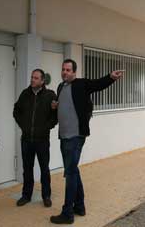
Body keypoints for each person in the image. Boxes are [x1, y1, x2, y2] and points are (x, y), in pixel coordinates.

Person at [50, 59, 123, 224]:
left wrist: (110, 77)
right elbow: (64, 107)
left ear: (74, 72)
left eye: (68, 70)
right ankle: (80, 206)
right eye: (63, 69)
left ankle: (67, 213)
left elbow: (97, 84)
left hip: (76, 136)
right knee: (73, 170)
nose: (65, 72)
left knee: (70, 173)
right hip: (63, 136)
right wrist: (55, 106)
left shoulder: (81, 84)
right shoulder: (60, 87)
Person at [13, 69, 58, 207]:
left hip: (42, 140)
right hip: (26, 139)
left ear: (42, 81)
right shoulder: (25, 94)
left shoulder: (50, 95)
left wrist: (46, 127)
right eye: (32, 77)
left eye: (36, 78)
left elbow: (55, 116)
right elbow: (16, 110)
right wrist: (24, 126)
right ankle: (26, 195)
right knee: (27, 169)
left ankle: (46, 196)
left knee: (44, 169)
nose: (32, 80)